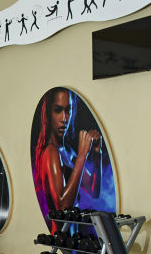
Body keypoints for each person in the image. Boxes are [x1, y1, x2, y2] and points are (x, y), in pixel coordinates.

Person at [33, 87, 101, 230]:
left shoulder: (67, 151)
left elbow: (93, 190)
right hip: (59, 238)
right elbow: (63, 207)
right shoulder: (51, 152)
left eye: (68, 110)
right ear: (48, 114)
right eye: (58, 110)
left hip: (72, 236)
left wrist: (96, 153)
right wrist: (82, 155)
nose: (64, 119)